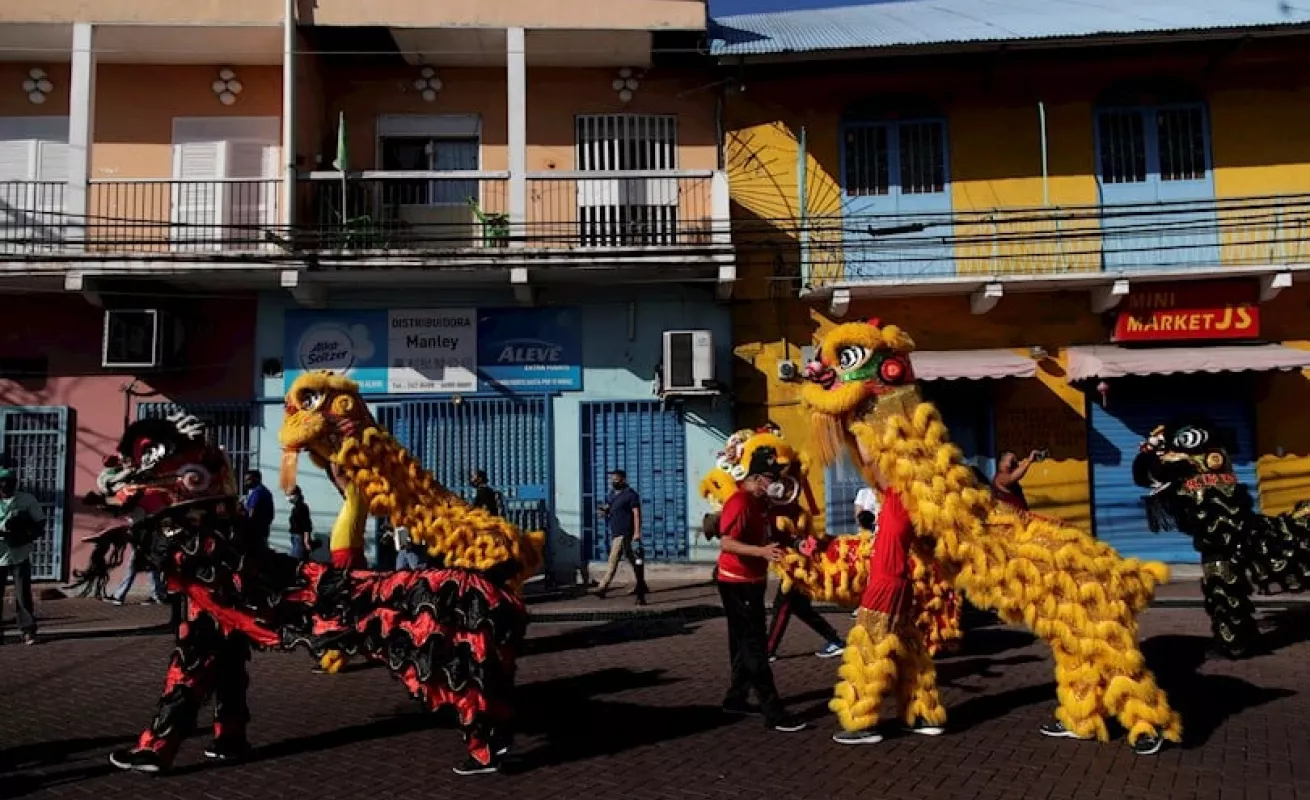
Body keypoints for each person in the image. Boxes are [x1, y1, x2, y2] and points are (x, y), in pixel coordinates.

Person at [831, 461, 946, 745]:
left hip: (886, 585)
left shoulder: (899, 497)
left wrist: (856, 423)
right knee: (909, 652)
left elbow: (870, 462)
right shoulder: (907, 501)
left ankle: (861, 723)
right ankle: (922, 715)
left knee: (866, 652)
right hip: (898, 583)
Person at [717, 452, 806, 733]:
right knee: (755, 645)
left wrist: (793, 542)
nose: (774, 484)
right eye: (770, 479)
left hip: (752, 581)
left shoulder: (761, 504)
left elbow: (767, 535)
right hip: (736, 582)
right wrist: (761, 552)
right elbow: (727, 543)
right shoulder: (740, 503)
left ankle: (736, 697)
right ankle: (773, 711)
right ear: (755, 479)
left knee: (742, 642)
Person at [0, 467, 43, 646]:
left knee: (22, 593)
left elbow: (39, 524)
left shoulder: (26, 500)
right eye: (2, 482)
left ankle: (27, 630)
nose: (5, 485)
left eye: (9, 482)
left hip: (20, 552)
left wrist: (25, 534)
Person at [595, 469, 648, 605]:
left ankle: (603, 586)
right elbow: (609, 507)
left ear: (623, 480)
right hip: (615, 532)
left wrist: (637, 533)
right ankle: (642, 585)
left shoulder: (631, 495)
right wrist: (603, 511)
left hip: (625, 533)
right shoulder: (612, 495)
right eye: (612, 480)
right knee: (633, 560)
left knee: (613, 559)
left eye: (616, 480)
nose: (614, 482)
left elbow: (636, 514)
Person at [243, 470, 275, 550]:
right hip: (264, 530)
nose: (245, 483)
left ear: (256, 479)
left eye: (248, 480)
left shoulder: (257, 492)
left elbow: (251, 512)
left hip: (255, 532)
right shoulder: (266, 492)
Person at [287, 485, 314, 561]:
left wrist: (306, 540)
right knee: (293, 559)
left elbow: (307, 525)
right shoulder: (295, 508)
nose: (289, 497)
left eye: (290, 495)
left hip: (300, 538)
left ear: (297, 494)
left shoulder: (302, 507)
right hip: (295, 538)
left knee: (298, 560)